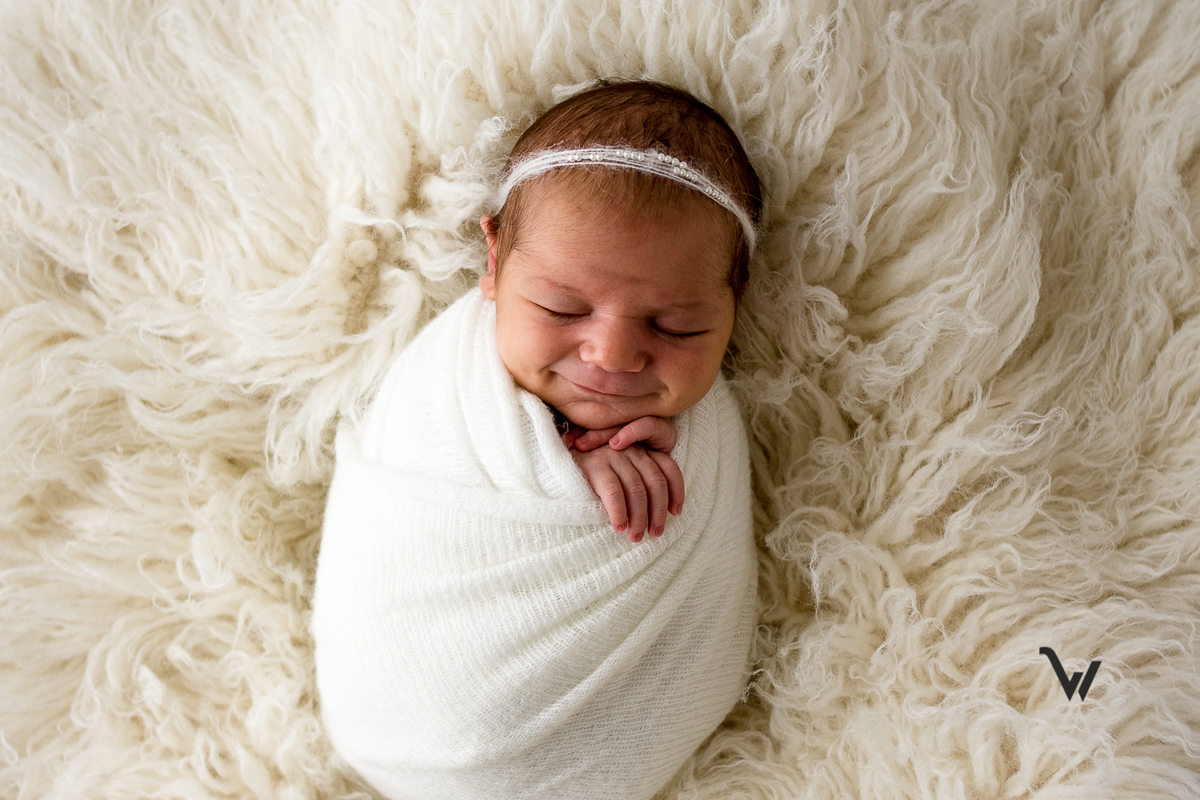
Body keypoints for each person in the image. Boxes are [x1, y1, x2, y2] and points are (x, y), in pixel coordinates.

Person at [312, 79, 763, 800]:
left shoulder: (708, 431)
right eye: (561, 306)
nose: (613, 357)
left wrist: (659, 459)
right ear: (493, 263)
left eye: (676, 327)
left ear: (736, 307)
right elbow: (410, 492)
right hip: (394, 713)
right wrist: (567, 466)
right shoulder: (448, 375)